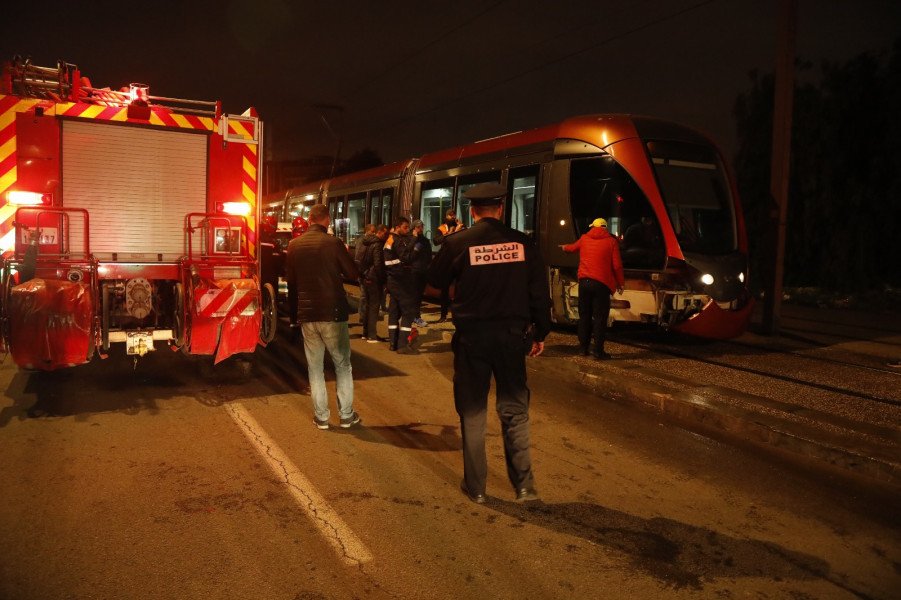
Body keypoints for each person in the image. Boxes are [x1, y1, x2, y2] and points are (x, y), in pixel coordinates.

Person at [427, 182, 550, 504]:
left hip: (472, 339)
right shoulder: (523, 244)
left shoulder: (458, 243)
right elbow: (540, 294)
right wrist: (540, 334)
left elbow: (435, 280)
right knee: (515, 410)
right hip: (512, 337)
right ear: (500, 209)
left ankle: (477, 487)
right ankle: (524, 486)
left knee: (473, 411)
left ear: (473, 210)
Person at [286, 204, 361, 430]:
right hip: (333, 314)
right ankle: (346, 415)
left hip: (307, 316)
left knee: (315, 368)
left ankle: (322, 418)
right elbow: (352, 274)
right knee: (342, 365)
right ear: (327, 220)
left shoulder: (293, 245)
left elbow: (292, 285)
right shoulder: (333, 243)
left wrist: (293, 316)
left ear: (309, 220)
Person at [561, 217, 625, 360]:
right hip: (601, 285)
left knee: (584, 316)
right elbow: (617, 266)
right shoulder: (611, 242)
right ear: (605, 228)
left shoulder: (584, 238)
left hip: (585, 283)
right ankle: (598, 351)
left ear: (593, 227)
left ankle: (583, 348)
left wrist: (564, 247)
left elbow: (572, 248)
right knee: (600, 318)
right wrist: (621, 283)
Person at [384, 216, 421, 354]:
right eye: (405, 227)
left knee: (394, 311)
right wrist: (414, 243)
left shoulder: (389, 239)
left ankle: (393, 343)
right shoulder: (398, 241)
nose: (407, 230)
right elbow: (405, 257)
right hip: (401, 281)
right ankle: (402, 345)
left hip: (392, 280)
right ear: (398, 227)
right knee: (408, 311)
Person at [358, 224, 389, 342]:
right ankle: (372, 335)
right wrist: (383, 279)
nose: (386, 236)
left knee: (367, 305)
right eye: (385, 233)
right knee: (374, 307)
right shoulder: (377, 244)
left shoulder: (365, 242)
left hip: (365, 276)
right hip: (374, 278)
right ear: (379, 232)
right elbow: (378, 264)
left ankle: (365, 333)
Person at [433, 209, 464, 323]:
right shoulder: (441, 228)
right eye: (450, 215)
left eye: (453, 215)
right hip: (447, 260)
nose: (452, 217)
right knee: (444, 288)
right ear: (446, 216)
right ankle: (443, 315)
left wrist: (459, 229)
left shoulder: (460, 226)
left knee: (460, 287)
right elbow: (436, 241)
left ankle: (458, 313)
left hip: (459, 257)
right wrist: (448, 234)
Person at [410, 219, 433, 328]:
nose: (420, 229)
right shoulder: (411, 240)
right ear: (413, 228)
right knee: (414, 295)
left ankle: (414, 315)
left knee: (418, 295)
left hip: (423, 271)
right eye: (418, 227)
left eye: (421, 227)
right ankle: (415, 316)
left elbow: (429, 255)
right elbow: (410, 256)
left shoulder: (425, 241)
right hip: (413, 271)